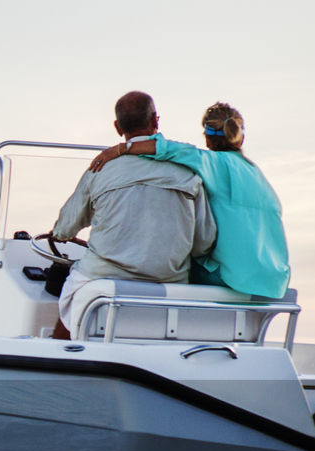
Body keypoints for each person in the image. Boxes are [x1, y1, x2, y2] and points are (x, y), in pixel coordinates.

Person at [50, 91, 217, 339]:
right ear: (156, 121)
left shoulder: (100, 168)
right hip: (168, 284)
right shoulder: (188, 171)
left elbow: (65, 229)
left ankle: (60, 360)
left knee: (69, 308)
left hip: (104, 278)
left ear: (118, 128)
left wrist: (60, 233)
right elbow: (204, 242)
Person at [88, 101, 290, 299]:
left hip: (232, 280)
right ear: (240, 138)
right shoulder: (258, 176)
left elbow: (165, 149)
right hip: (273, 282)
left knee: (170, 267)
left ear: (208, 140)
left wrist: (121, 149)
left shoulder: (210, 163)